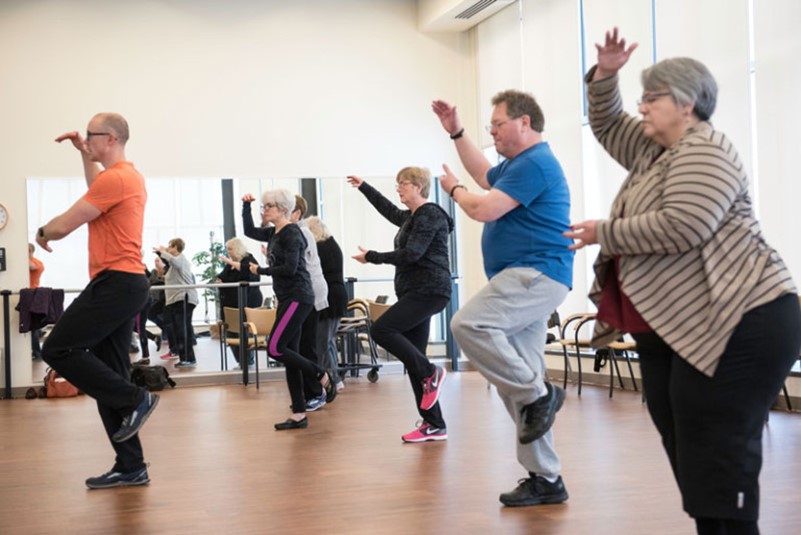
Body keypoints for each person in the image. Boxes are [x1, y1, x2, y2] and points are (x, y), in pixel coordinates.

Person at [564, 28, 801, 534]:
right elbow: (606, 123)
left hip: (742, 320)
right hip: (678, 327)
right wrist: (606, 74)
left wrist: (603, 231)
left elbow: (683, 224)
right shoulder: (655, 152)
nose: (642, 108)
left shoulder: (705, 150)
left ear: (686, 104)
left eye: (652, 98)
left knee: (717, 452)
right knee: (689, 447)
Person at [432, 90, 574, 506]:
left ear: (524, 123)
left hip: (536, 272)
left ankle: (539, 395)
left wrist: (453, 190)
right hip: (527, 276)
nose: (491, 131)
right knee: (523, 383)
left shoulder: (537, 163)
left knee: (468, 324)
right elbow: (483, 175)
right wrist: (456, 132)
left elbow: (483, 208)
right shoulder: (517, 165)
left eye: (497, 124)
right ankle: (546, 478)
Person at [37, 112, 158, 489]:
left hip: (116, 283)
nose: (86, 138)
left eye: (91, 135)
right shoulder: (121, 178)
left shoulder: (118, 178)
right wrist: (84, 155)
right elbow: (96, 190)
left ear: (110, 138)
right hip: (121, 282)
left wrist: (43, 232)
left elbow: (66, 222)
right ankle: (131, 465)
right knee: (110, 372)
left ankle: (136, 398)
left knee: (57, 348)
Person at [347, 168, 453, 443]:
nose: (399, 189)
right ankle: (434, 424)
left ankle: (432, 372)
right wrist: (364, 186)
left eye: (403, 184)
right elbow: (390, 211)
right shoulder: (413, 217)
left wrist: (372, 256)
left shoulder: (430, 214)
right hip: (416, 291)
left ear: (418, 186)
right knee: (413, 358)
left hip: (428, 290)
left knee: (381, 330)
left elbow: (413, 254)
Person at [242, 189, 334, 429]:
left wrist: (258, 271)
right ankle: (299, 414)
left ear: (283, 208)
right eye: (263, 206)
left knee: (275, 347)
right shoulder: (275, 232)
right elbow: (249, 231)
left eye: (268, 206)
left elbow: (291, 268)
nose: (264, 210)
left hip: (298, 296)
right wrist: (246, 208)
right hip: (287, 297)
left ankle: (319, 373)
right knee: (289, 355)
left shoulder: (292, 233)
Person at [290, 195, 333, 410]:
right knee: (300, 346)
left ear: (295, 212)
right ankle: (309, 392)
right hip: (305, 294)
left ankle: (317, 390)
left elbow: (293, 267)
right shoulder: (295, 232)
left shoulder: (302, 233)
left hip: (311, 295)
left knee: (308, 346)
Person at [305, 216, 348, 392]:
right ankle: (334, 379)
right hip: (336, 297)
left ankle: (329, 381)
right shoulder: (331, 244)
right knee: (327, 341)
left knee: (321, 342)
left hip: (329, 298)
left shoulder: (321, 248)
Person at [216, 237, 263, 368]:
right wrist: (220, 280)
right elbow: (222, 276)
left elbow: (248, 273)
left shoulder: (249, 260)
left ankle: (247, 360)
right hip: (231, 305)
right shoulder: (230, 264)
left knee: (244, 331)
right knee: (231, 331)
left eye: (230, 249)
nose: (228, 252)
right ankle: (242, 360)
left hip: (247, 302)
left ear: (237, 248)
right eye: (227, 249)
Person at [155, 238, 199, 368]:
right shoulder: (173, 264)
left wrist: (162, 252)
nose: (168, 248)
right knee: (177, 329)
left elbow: (174, 261)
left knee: (182, 329)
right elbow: (170, 266)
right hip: (175, 300)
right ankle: (184, 357)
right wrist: (160, 254)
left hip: (184, 298)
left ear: (177, 248)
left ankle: (188, 358)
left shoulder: (181, 259)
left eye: (171, 246)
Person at [28, 243, 45, 359]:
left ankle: (37, 353)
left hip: (33, 296)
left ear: (30, 251)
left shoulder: (37, 263)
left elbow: (32, 267)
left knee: (33, 327)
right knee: (34, 327)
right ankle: (40, 331)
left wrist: (21, 255)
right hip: (28, 296)